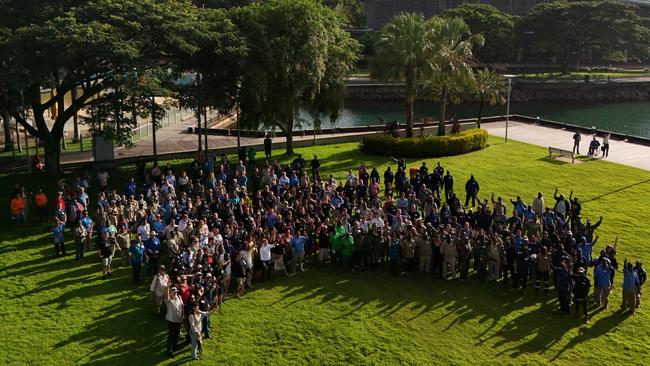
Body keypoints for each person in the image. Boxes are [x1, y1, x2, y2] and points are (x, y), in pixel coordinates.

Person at [165, 286, 184, 358]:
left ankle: (175, 346)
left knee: (177, 334)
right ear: (170, 293)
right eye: (174, 292)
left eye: (176, 292)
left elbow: (182, 307)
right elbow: (166, 294)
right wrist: (167, 287)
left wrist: (182, 315)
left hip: (179, 320)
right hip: (172, 321)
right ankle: (169, 351)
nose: (175, 293)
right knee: (171, 336)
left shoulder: (179, 297)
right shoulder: (169, 300)